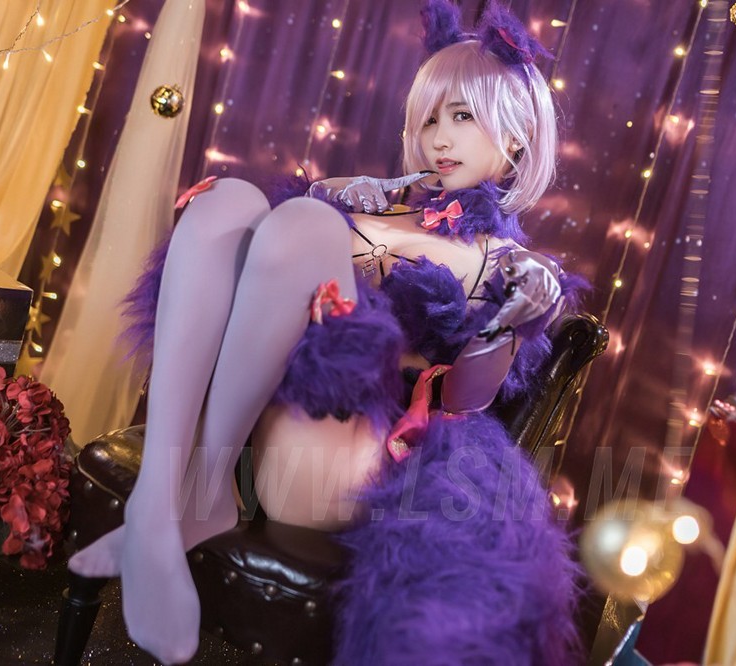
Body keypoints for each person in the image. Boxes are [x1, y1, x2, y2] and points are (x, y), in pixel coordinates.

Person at [68, 2, 584, 663]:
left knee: (305, 224)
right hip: (243, 404)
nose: (439, 138)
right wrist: (327, 198)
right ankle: (167, 502)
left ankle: (191, 496)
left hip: (340, 443)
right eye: (429, 119)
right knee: (229, 199)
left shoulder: (511, 264)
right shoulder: (372, 199)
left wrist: (514, 321)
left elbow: (464, 400)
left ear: (514, 137)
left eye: (462, 116)